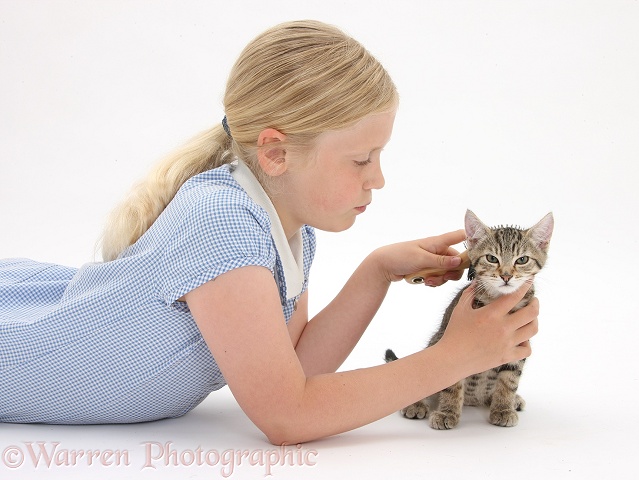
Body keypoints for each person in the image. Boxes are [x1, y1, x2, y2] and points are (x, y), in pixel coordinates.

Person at [0, 20, 538, 445]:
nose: (378, 178)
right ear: (276, 153)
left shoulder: (291, 232)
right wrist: (452, 358)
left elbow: (294, 370)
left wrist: (377, 272)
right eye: (360, 159)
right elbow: (287, 415)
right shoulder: (224, 224)